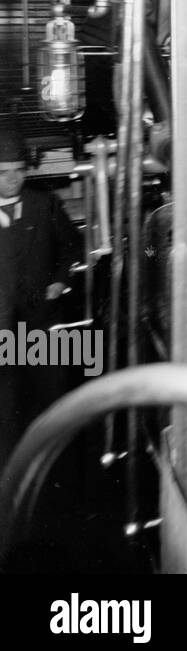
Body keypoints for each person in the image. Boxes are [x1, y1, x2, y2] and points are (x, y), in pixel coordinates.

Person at [0, 128, 79, 466]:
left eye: (19, 170)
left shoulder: (43, 204)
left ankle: (57, 469)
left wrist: (59, 282)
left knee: (52, 398)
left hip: (42, 321)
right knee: (6, 406)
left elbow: (71, 244)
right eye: (4, 173)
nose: (13, 179)